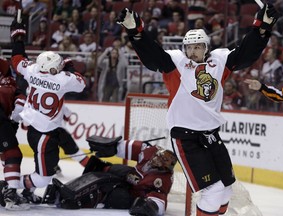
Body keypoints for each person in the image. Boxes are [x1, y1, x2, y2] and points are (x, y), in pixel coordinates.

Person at [116, 3, 279, 216]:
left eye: (197, 47)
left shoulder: (220, 61)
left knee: (225, 190)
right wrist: (135, 32)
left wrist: (262, 28)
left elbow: (246, 53)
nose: (192, 52)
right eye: (189, 47)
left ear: (206, 47)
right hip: (186, 138)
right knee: (213, 191)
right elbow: (152, 55)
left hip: (211, 135)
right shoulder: (176, 63)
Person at [1, 16, 86, 209]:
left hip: (36, 130)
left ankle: (19, 189)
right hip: (44, 134)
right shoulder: (63, 79)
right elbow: (81, 83)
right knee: (43, 178)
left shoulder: (33, 71)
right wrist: (70, 67)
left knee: (45, 173)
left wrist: (18, 37)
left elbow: (17, 60)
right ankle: (10, 187)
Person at [42, 135, 177, 216]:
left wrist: (150, 206)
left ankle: (77, 199)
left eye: (161, 161)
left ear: (165, 167)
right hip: (129, 176)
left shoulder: (162, 180)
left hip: (132, 194)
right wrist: (112, 147)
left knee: (116, 196)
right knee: (103, 170)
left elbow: (160, 201)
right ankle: (68, 188)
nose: (156, 159)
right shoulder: (150, 152)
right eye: (158, 157)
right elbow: (135, 147)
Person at [0, 57, 30, 210]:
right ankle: (10, 192)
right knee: (12, 153)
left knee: (6, 153)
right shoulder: (8, 84)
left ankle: (9, 189)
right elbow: (19, 102)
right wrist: (13, 121)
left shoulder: (8, 82)